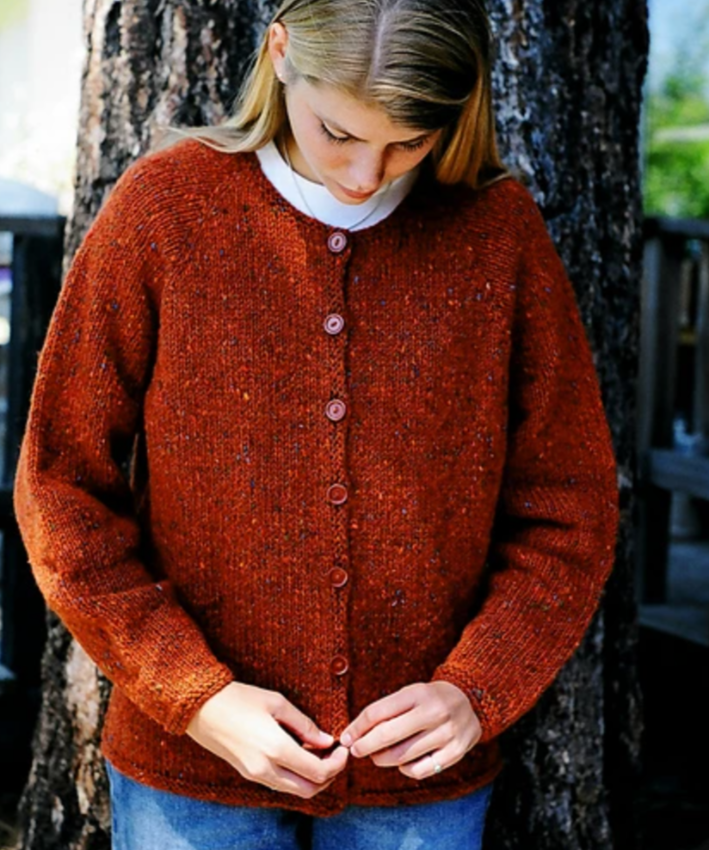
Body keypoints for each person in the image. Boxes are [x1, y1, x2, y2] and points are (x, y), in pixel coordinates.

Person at [12, 0, 621, 848]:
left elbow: (570, 505)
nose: (365, 174)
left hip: (417, 778)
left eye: (408, 141)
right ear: (279, 52)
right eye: (338, 131)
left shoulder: (495, 233)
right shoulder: (165, 208)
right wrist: (194, 694)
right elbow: (60, 486)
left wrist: (477, 687)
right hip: (190, 770)